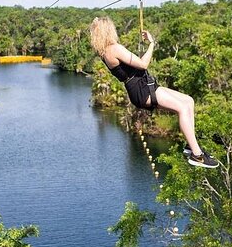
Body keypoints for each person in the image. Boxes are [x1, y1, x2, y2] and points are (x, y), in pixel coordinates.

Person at [89, 16, 219, 169]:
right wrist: (151, 43)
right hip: (141, 90)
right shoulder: (114, 49)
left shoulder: (104, 51)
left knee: (189, 100)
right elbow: (143, 64)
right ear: (109, 31)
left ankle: (191, 146)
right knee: (182, 108)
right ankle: (197, 155)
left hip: (143, 85)